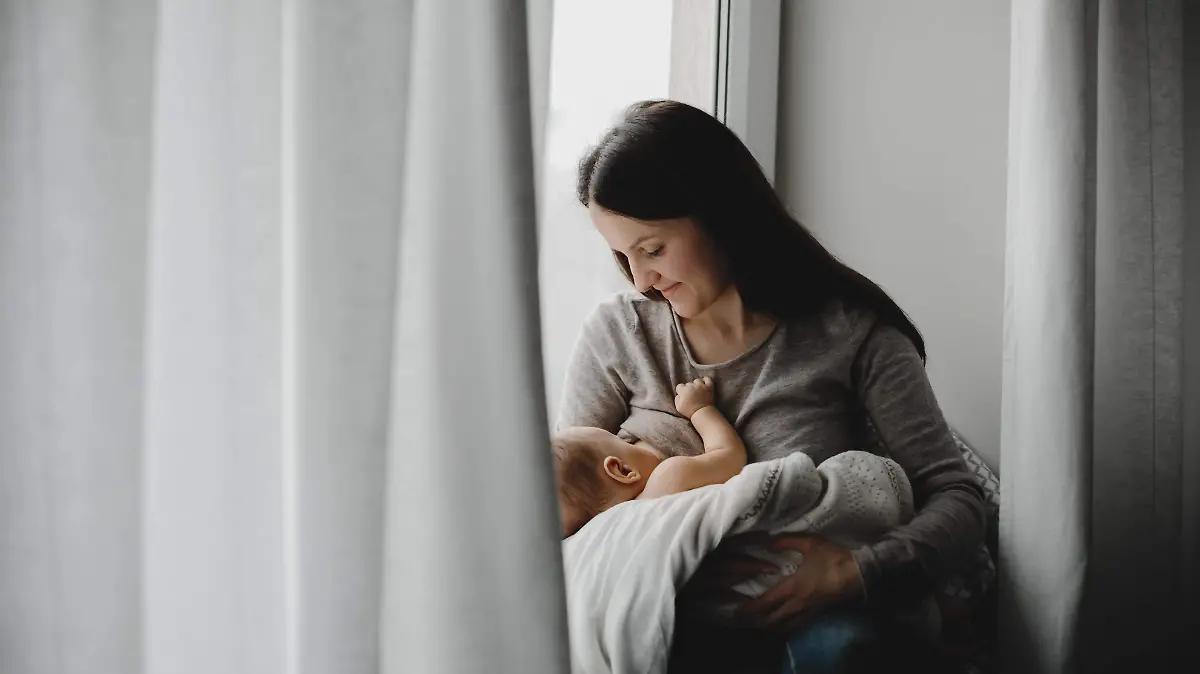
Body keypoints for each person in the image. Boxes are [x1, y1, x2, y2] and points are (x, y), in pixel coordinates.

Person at [556, 99, 987, 673]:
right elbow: (567, 518)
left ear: (717, 214)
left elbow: (958, 499)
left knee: (840, 650)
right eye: (621, 256)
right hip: (662, 627)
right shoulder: (619, 334)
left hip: (813, 630)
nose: (641, 279)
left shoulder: (854, 336)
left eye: (653, 249)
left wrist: (855, 574)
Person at [554, 376, 749, 538]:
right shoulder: (670, 478)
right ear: (623, 470)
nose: (631, 439)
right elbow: (731, 457)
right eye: (620, 441)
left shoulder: (624, 535)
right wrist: (700, 410)